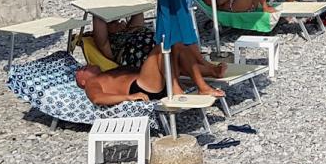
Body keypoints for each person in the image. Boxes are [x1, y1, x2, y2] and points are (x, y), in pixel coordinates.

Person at [76, 43, 226, 104]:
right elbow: (97, 98)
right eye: (82, 70)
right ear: (83, 82)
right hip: (140, 89)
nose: (85, 66)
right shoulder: (92, 83)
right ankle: (178, 90)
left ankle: (209, 75)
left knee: (177, 45)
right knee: (162, 48)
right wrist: (128, 97)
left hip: (152, 83)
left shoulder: (109, 71)